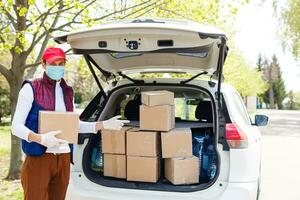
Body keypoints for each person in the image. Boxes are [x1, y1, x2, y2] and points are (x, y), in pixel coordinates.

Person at [11, 47, 129, 200]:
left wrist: (103, 125)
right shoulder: (31, 88)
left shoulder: (67, 91)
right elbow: (16, 126)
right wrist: (40, 139)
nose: (58, 68)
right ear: (44, 64)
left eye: (62, 64)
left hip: (64, 157)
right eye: (54, 63)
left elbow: (74, 125)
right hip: (39, 157)